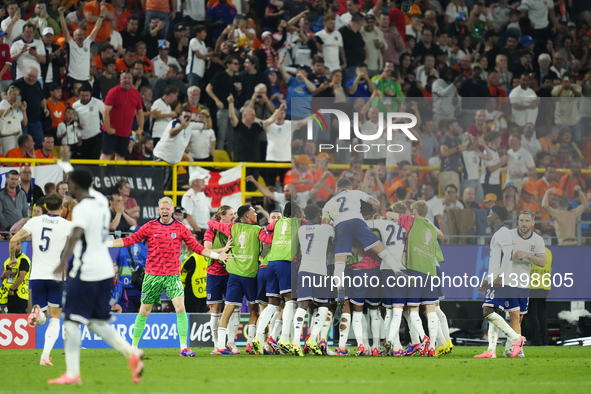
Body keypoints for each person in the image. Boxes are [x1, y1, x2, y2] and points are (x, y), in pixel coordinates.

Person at [47, 149, 143, 385]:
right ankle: (131, 353)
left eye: (70, 184)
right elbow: (82, 180)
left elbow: (76, 232)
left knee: (70, 320)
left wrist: (63, 261)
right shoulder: (100, 199)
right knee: (96, 321)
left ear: (75, 187)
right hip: (105, 271)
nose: (68, 186)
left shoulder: (81, 209)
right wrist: (66, 164)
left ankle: (72, 373)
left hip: (86, 270)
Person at [108, 196, 230, 356]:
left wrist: (217, 255)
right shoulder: (150, 226)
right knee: (144, 311)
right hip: (152, 276)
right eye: (162, 208)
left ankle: (183, 347)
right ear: (159, 210)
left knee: (180, 308)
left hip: (172, 276)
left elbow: (197, 248)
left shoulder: (181, 228)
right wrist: (107, 243)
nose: (165, 211)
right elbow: (129, 240)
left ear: (172, 210)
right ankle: (133, 347)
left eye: (168, 208)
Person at [9, 193, 71, 365]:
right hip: (56, 277)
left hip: (36, 277)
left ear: (45, 207)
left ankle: (36, 313)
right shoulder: (67, 225)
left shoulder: (34, 221)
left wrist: (12, 258)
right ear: (62, 208)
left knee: (41, 318)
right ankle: (44, 356)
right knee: (55, 319)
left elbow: (13, 239)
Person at [209, 205, 274, 355]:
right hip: (250, 277)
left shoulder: (232, 227)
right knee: (254, 311)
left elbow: (212, 224)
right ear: (246, 216)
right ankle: (250, 344)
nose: (256, 214)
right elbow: (270, 240)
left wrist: (214, 221)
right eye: (253, 213)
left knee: (227, 312)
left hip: (234, 277)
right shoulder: (258, 230)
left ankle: (220, 346)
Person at [475, 205, 525, 359]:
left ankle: (516, 339)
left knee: (488, 311)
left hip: (502, 280)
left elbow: (508, 254)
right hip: (500, 279)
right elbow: (496, 262)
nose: (488, 217)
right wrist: (487, 279)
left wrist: (500, 276)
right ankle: (491, 350)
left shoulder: (502, 233)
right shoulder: (499, 234)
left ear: (496, 216)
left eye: (490, 214)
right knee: (495, 311)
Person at [290, 204, 334, 356]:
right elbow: (334, 237)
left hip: (304, 270)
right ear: (319, 215)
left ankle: (296, 342)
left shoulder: (302, 229)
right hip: (320, 272)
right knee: (323, 305)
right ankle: (313, 338)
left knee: (302, 305)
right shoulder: (326, 229)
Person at [203, 205, 236, 353]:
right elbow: (206, 251)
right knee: (215, 309)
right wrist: (224, 249)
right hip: (214, 274)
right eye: (231, 214)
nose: (233, 217)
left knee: (233, 307)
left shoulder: (233, 229)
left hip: (231, 273)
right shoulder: (211, 231)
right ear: (222, 217)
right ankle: (216, 344)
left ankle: (230, 342)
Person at [101, 72, 144, 161]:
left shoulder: (136, 94)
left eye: (129, 78)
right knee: (106, 154)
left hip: (125, 132)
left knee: (121, 156)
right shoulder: (113, 92)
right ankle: (102, 174)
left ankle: (119, 175)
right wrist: (108, 128)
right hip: (111, 131)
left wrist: (141, 127)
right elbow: (105, 111)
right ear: (120, 80)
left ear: (132, 80)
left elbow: (140, 112)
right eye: (124, 78)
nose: (127, 80)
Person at [9, 67, 48, 149]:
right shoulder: (17, 83)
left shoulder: (37, 83)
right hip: (21, 121)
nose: (31, 78)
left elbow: (42, 98)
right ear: (25, 74)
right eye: (29, 75)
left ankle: (36, 161)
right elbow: (4, 94)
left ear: (37, 77)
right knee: (22, 144)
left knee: (38, 143)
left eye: (34, 77)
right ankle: (22, 162)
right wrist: (12, 104)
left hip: (35, 120)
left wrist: (45, 108)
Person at [72, 83, 103, 160]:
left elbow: (107, 115)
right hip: (83, 137)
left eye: (87, 95)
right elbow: (74, 120)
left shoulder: (97, 103)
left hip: (96, 135)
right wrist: (78, 125)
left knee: (94, 159)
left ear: (90, 94)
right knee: (84, 160)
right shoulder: (75, 105)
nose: (85, 98)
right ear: (79, 94)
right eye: (82, 96)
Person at [0, 238, 30, 313]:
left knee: (17, 317)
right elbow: (3, 278)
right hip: (5, 295)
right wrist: (4, 275)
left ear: (21, 246)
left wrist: (12, 289)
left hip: (18, 294)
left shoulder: (23, 259)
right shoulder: (8, 260)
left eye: (17, 244)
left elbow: (21, 277)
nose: (14, 246)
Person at [0, 86, 27, 154]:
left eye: (17, 95)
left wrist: (24, 111)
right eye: (14, 94)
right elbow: (0, 114)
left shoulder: (19, 107)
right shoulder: (4, 103)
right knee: (9, 153)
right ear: (9, 95)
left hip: (18, 134)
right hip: (7, 135)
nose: (15, 96)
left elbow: (25, 123)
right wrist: (12, 107)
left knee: (17, 153)